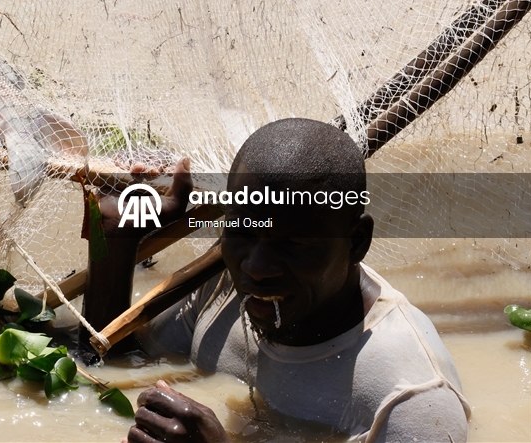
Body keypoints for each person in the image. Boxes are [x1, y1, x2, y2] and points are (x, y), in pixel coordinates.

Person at [91, 118, 470, 442]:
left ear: (357, 242)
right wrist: (115, 242)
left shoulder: (410, 396)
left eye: (294, 243)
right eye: (244, 231)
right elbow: (115, 361)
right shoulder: (224, 281)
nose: (257, 266)